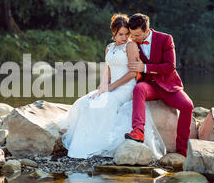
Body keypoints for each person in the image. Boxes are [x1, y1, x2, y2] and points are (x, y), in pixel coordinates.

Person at [59, 14, 166, 159]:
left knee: (106, 104)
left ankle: (101, 144)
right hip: (112, 86)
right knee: (87, 102)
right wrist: (103, 86)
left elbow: (132, 73)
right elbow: (107, 70)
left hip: (126, 88)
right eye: (120, 34)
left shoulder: (131, 46)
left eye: (126, 34)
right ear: (113, 34)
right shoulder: (109, 48)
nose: (124, 37)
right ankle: (87, 142)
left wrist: (110, 88)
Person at [125, 13, 194, 156]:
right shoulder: (132, 44)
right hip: (149, 86)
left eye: (137, 35)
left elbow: (170, 66)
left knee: (188, 106)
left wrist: (145, 68)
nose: (133, 39)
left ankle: (182, 150)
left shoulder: (166, 39)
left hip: (168, 85)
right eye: (132, 35)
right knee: (138, 89)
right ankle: (138, 130)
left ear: (146, 30)